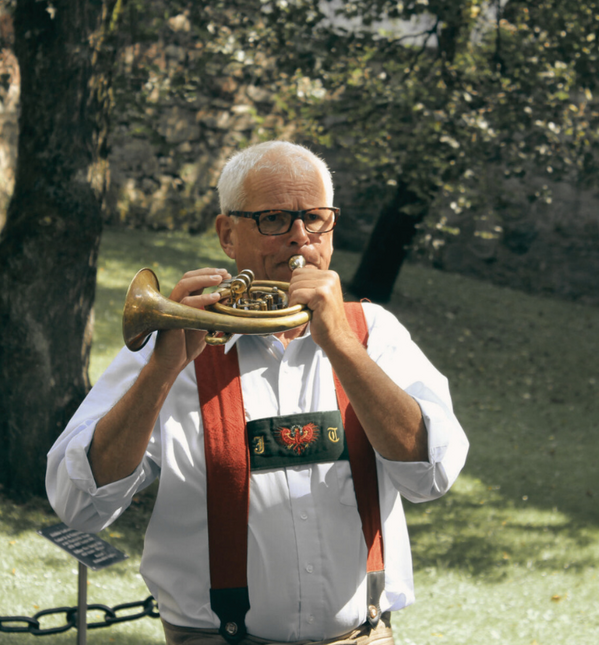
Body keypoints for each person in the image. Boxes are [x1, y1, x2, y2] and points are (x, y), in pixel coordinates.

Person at [46, 141, 469, 645]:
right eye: (274, 219)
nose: (299, 239)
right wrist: (160, 371)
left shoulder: (375, 333)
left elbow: (433, 475)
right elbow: (79, 504)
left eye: (315, 218)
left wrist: (344, 347)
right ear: (228, 234)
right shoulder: (174, 345)